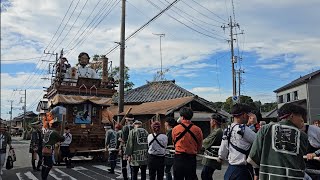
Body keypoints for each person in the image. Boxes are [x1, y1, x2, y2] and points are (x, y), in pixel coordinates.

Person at [247, 103, 309, 180]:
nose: (302, 120)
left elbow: (253, 157)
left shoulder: (266, 129)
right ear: (291, 116)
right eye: (300, 116)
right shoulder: (302, 136)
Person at [218, 103, 256, 180]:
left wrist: (221, 157)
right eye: (248, 114)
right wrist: (255, 123)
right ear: (244, 115)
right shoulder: (244, 129)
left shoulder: (228, 129)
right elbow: (258, 141)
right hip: (243, 171)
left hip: (230, 169)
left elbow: (223, 148)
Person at [172, 107, 203, 180]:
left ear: (182, 117)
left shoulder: (175, 129)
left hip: (179, 158)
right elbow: (199, 144)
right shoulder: (197, 129)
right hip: (191, 158)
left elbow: (174, 143)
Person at [201, 114, 226, 180]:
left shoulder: (218, 132)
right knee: (206, 175)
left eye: (211, 120)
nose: (210, 122)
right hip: (211, 157)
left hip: (211, 159)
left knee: (205, 175)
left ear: (214, 121)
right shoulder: (218, 131)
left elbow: (206, 142)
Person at [119, 114, 135, 180]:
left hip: (125, 147)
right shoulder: (135, 128)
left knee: (124, 163)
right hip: (133, 148)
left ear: (126, 120)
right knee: (132, 164)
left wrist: (120, 144)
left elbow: (123, 140)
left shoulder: (125, 128)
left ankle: (125, 177)